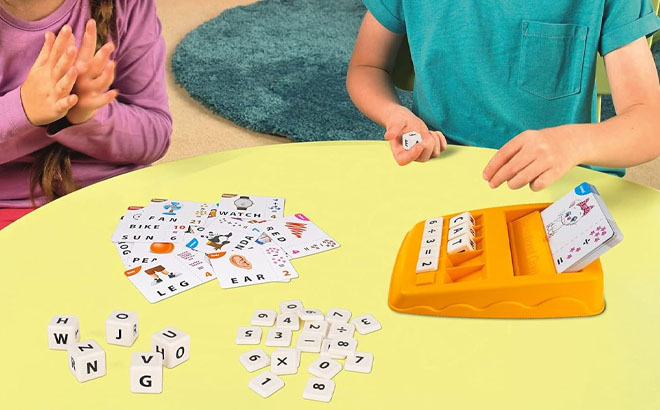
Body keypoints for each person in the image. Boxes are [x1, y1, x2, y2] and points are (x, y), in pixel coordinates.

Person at [347, 1, 660, 191]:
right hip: (439, 172)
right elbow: (367, 66)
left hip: (560, 188)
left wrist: (575, 143)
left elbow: (650, 121)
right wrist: (394, 114)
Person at [0, 0, 171, 229]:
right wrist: (22, 109)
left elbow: (155, 137)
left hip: (113, 188)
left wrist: (89, 114)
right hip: (10, 205)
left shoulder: (127, 6)